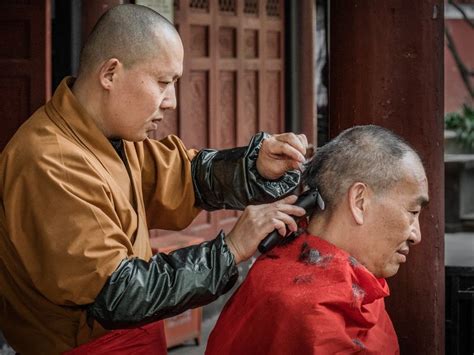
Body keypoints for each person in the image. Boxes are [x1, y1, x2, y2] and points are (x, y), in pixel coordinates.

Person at [0, 5, 309, 354]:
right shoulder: (49, 160)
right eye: (164, 82)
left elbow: (188, 175)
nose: (172, 101)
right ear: (111, 73)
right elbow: (119, 293)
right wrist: (230, 249)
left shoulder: (109, 136)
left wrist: (256, 168)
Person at [206, 125, 429, 355]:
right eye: (412, 212)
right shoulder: (309, 311)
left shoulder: (357, 278)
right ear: (360, 201)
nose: (416, 236)